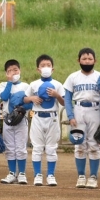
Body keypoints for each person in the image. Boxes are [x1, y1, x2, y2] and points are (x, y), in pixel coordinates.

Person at [63, 48, 100, 189]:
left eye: (90, 59)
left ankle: (93, 177)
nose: (87, 61)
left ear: (95, 61)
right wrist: (70, 115)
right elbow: (67, 98)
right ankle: (81, 176)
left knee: (93, 144)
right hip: (79, 109)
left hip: (95, 110)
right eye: (84, 59)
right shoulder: (73, 77)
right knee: (79, 143)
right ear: (78, 60)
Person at [23, 55, 65, 187]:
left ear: (53, 69)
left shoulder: (58, 84)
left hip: (52, 118)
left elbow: (64, 102)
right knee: (37, 147)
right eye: (42, 65)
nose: (45, 67)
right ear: (38, 69)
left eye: (48, 65)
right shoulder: (33, 84)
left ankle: (51, 175)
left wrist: (57, 95)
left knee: (51, 148)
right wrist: (32, 98)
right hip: (37, 117)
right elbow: (24, 99)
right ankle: (37, 175)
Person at [0, 60, 31, 185]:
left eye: (15, 70)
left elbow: (30, 103)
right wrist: (9, 82)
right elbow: (4, 97)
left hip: (21, 120)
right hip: (8, 120)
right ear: (6, 73)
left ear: (20, 70)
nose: (13, 73)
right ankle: (12, 173)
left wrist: (22, 109)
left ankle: (22, 174)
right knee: (10, 148)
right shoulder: (3, 85)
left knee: (21, 148)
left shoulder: (26, 86)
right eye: (10, 71)